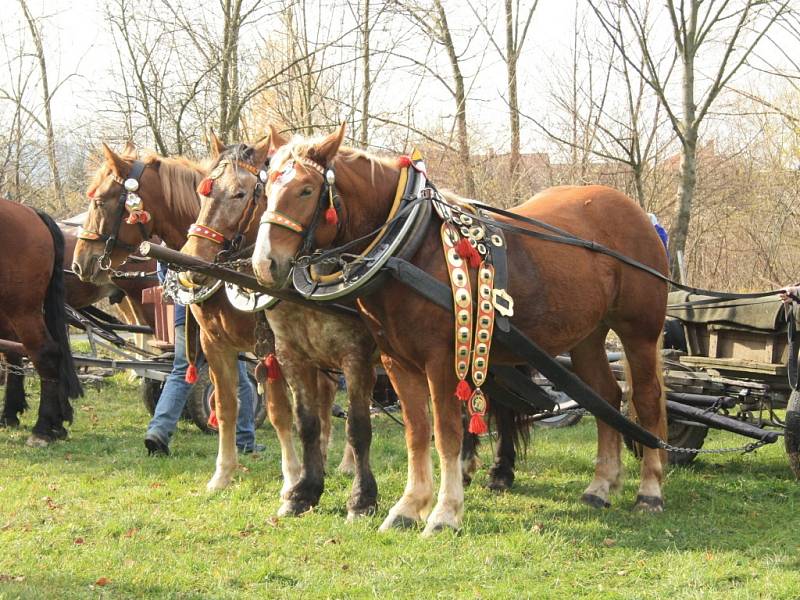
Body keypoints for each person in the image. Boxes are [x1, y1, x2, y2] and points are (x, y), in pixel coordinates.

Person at [144, 264, 264, 456]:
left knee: (182, 371)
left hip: (185, 311)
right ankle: (244, 441)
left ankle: (158, 431)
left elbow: (164, 275)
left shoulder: (180, 244)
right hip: (220, 313)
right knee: (239, 378)